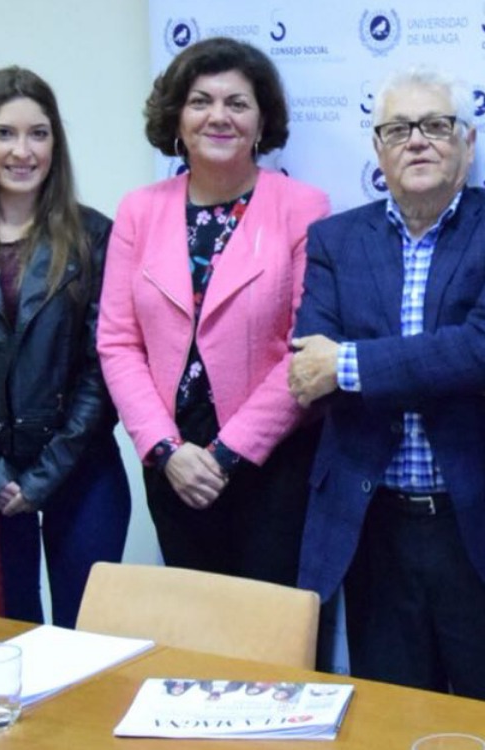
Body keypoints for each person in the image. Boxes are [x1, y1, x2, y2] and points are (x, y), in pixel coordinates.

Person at [288, 67, 485, 706]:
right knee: (392, 717)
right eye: (399, 129)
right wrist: (462, 375)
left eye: (436, 125)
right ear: (378, 149)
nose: (417, 140)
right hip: (374, 528)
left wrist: (352, 364)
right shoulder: (334, 240)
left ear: (467, 140)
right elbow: (310, 372)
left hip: (481, 523)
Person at [98, 37, 331, 585]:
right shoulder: (139, 210)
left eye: (237, 103)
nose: (218, 116)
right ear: (177, 119)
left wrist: (228, 452)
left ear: (262, 121)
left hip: (273, 455)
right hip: (174, 461)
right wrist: (165, 448)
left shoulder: (303, 207)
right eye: (200, 101)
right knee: (195, 622)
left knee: (273, 625)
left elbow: (306, 347)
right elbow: (118, 342)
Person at [0, 67, 130, 628]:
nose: (22, 151)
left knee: (88, 641)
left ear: (55, 143)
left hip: (81, 472)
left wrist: (44, 476)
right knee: (7, 641)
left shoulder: (95, 236)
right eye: (5, 133)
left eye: (38, 133)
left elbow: (103, 367)